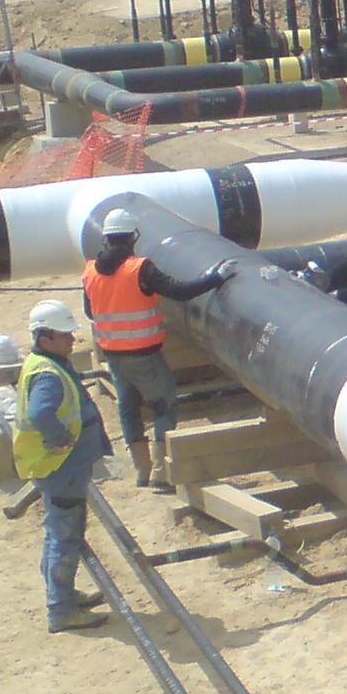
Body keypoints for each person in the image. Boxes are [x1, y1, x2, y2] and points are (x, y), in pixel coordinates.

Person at [81, 206, 236, 491]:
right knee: (164, 405)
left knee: (128, 410)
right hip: (145, 355)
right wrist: (216, 277)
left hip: (114, 357)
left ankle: (142, 470)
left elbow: (90, 312)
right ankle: (161, 471)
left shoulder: (91, 270)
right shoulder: (140, 268)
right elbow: (179, 291)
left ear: (106, 238)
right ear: (132, 237)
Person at [13, 301, 112, 633]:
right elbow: (41, 413)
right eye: (65, 335)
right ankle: (61, 609)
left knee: (57, 531)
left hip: (57, 467)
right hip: (62, 467)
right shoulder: (48, 375)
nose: (72, 339)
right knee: (66, 536)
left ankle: (63, 596)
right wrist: (60, 438)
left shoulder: (46, 362)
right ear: (45, 338)